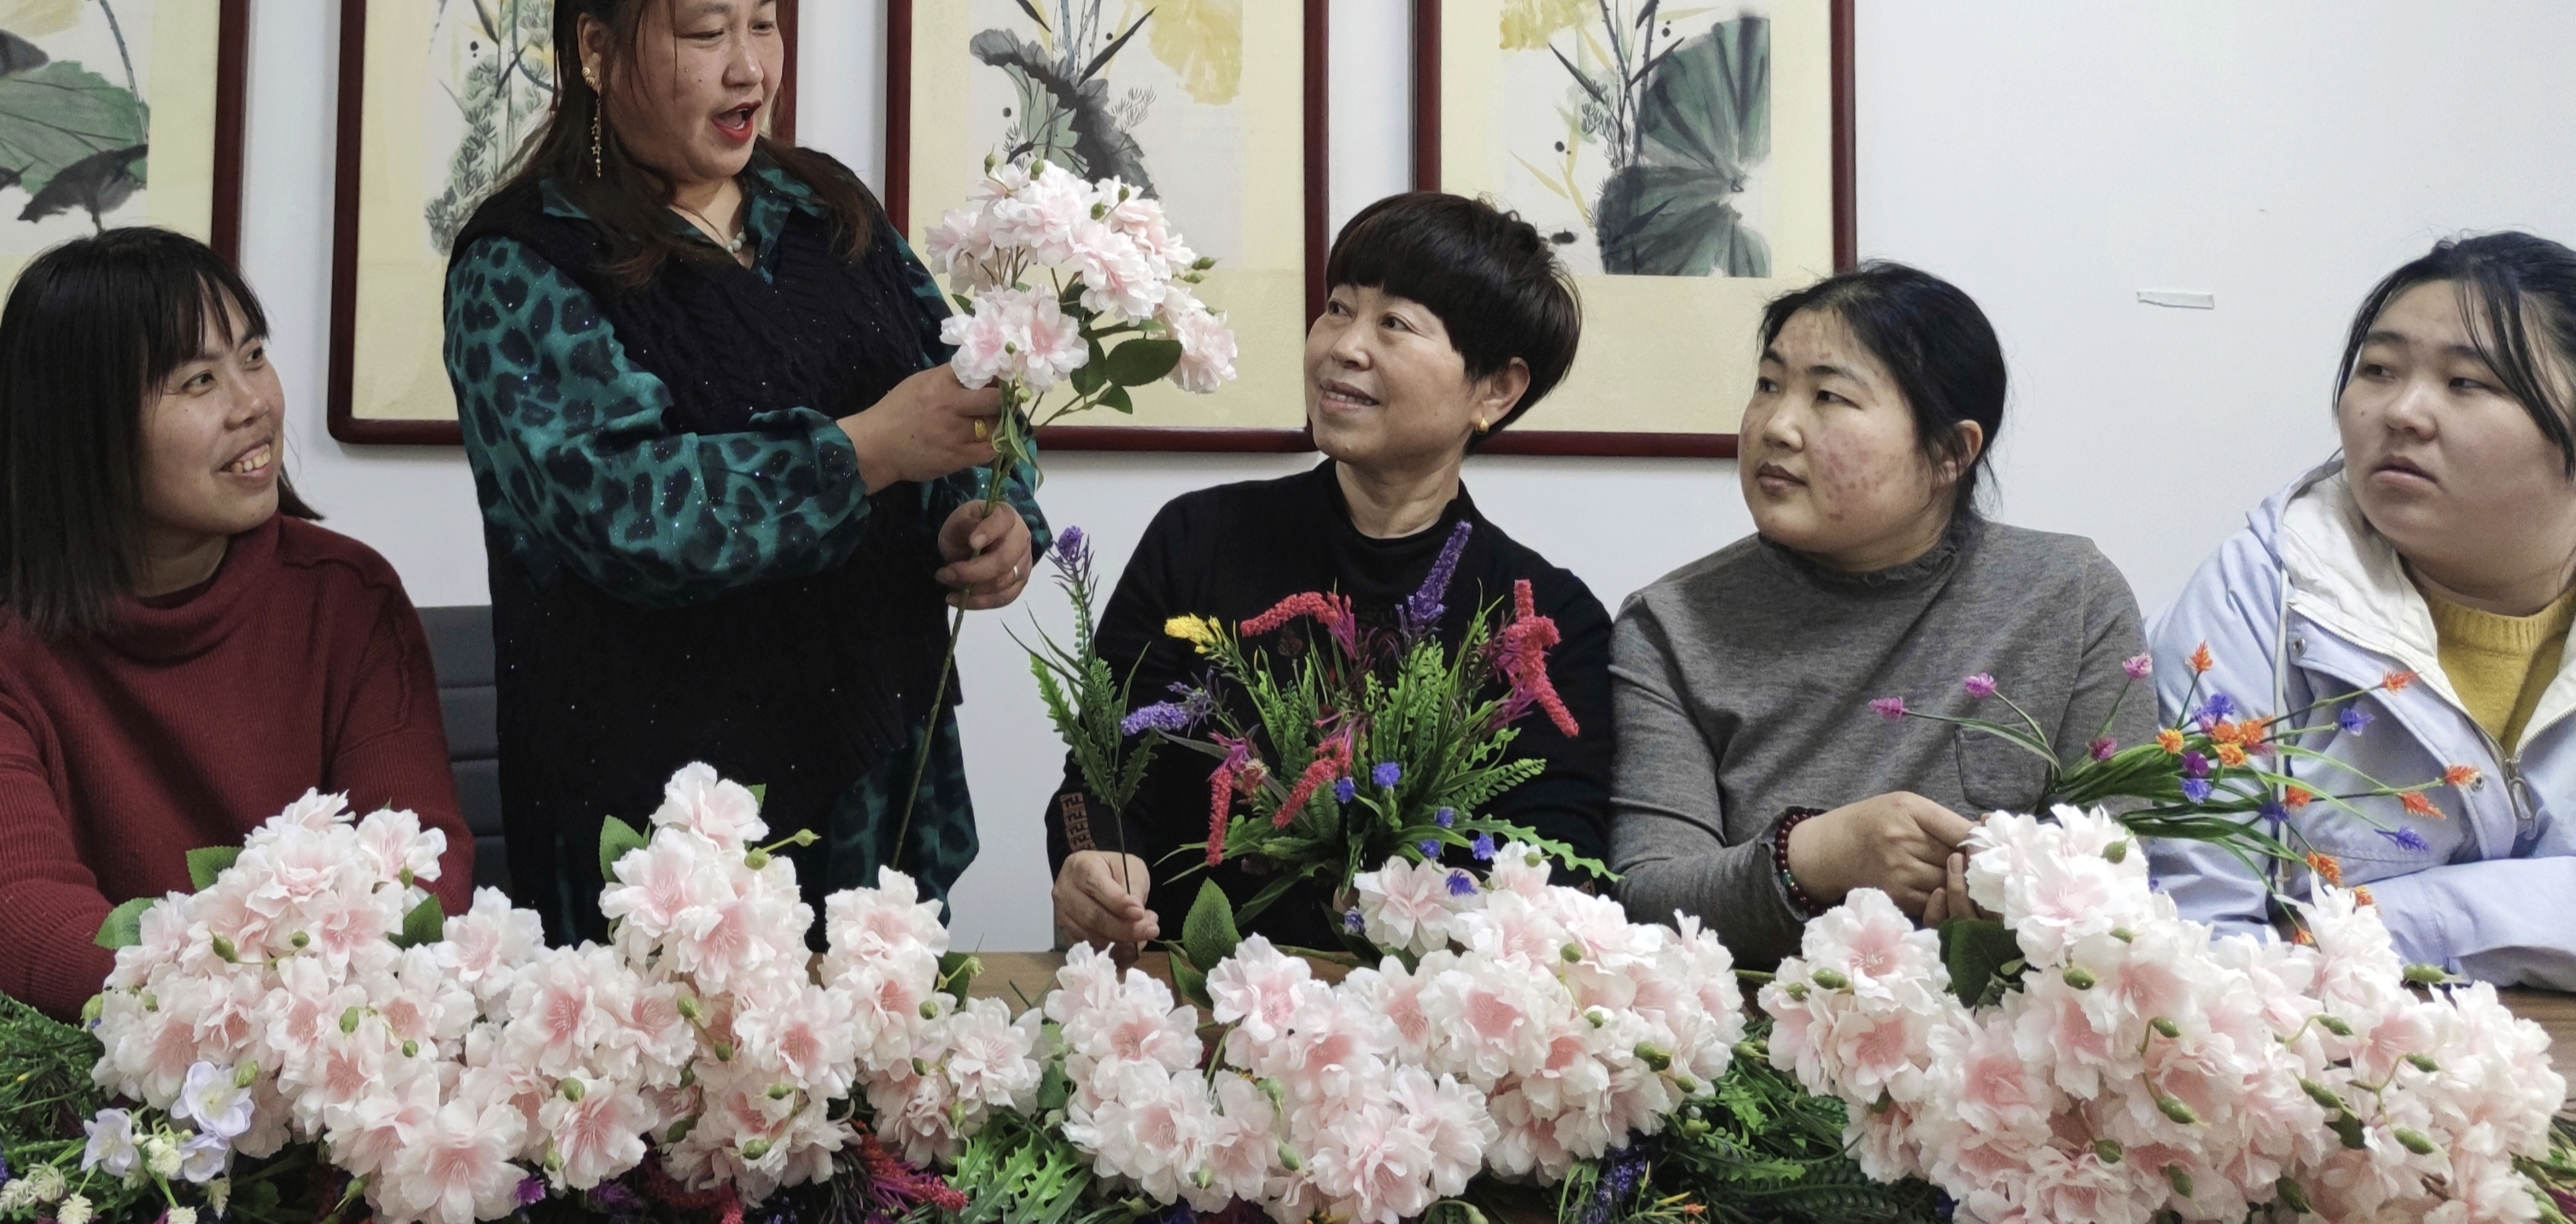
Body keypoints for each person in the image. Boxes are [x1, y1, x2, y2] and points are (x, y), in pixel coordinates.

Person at [444, 0, 1039, 945]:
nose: (749, 66)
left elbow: (962, 388)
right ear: (594, 50)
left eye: (763, 23)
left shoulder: (824, 204)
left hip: (872, 766)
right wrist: (864, 449)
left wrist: (989, 512)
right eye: (705, 31)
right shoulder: (523, 261)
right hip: (657, 817)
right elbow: (625, 511)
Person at [0, 229, 469, 1016]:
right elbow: (32, 931)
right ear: (83, 426)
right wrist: (255, 1006)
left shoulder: (349, 598)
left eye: (253, 355)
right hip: (64, 1065)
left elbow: (417, 871)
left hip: (318, 1049)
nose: (254, 402)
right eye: (199, 379)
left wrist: (289, 1020)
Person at [1046, 192, 1615, 956]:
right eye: (1339, 307)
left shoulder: (1546, 620)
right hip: (1196, 999)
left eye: (1395, 323)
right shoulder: (1198, 538)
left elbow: (1557, 866)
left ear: (1496, 388)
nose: (1344, 346)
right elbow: (1101, 770)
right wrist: (1097, 863)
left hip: (1429, 1015)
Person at [1609, 261, 2144, 965]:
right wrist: (1814, 856)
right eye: (1768, 384)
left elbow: (2127, 872)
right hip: (1751, 1025)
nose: (1777, 425)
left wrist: (2012, 907)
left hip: (2013, 1023)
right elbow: (1645, 901)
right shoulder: (1670, 625)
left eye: (1828, 395)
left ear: (1950, 452)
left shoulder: (2071, 597)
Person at [2150, 233, 2576, 987]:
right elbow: (2198, 939)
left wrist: (2394, 920)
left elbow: (2287, 940)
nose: (2402, 411)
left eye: (2467, 382)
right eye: (2378, 369)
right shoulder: (2264, 595)